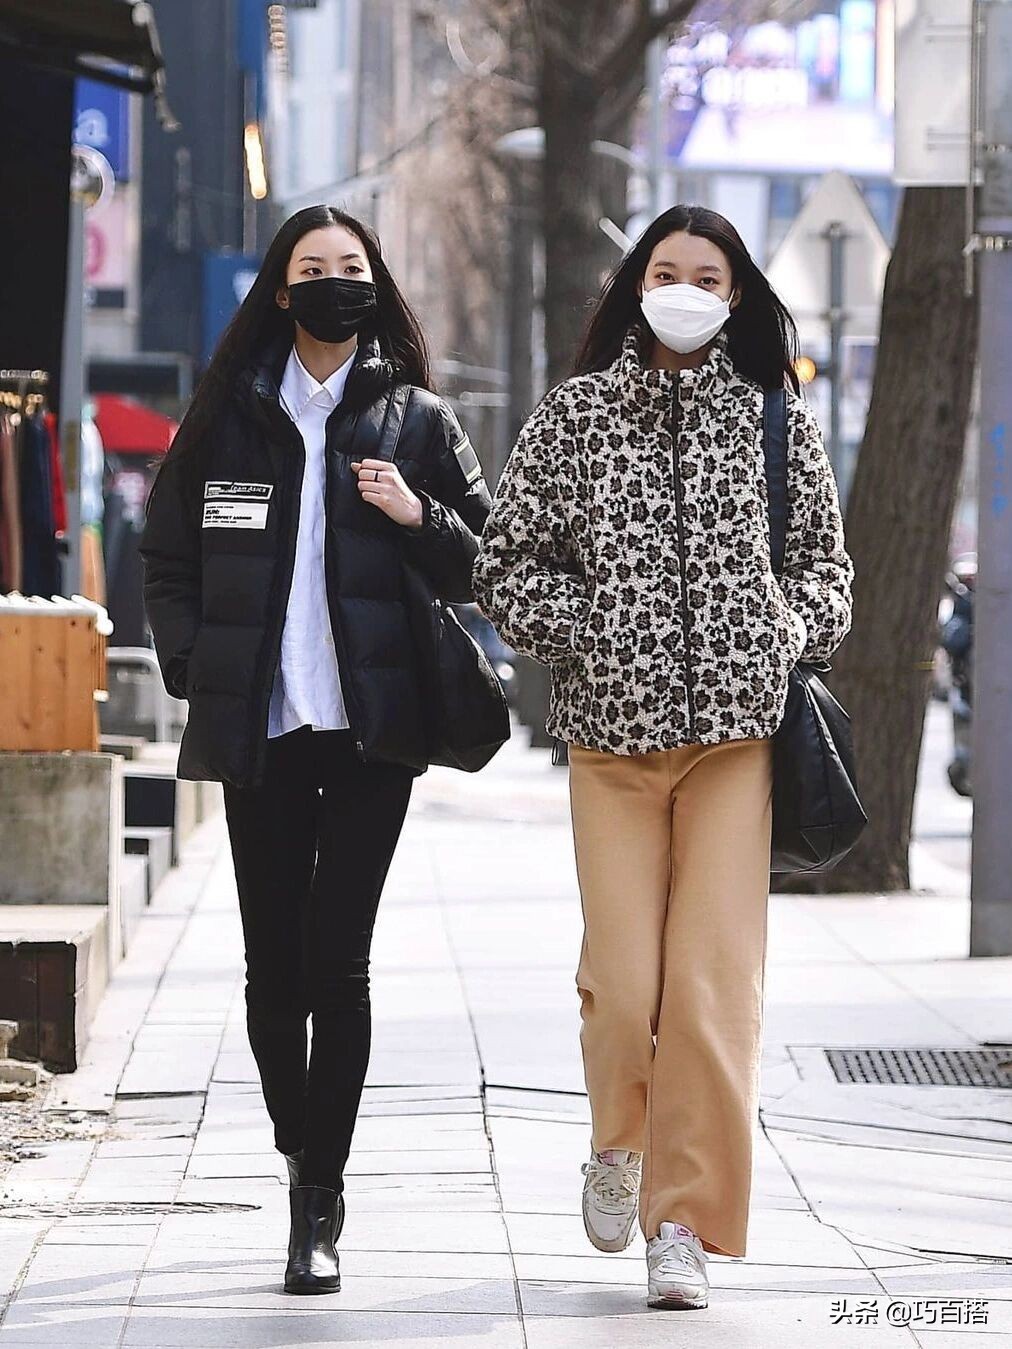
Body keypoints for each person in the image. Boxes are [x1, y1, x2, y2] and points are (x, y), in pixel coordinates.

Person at [473, 205, 853, 1310]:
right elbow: (506, 566)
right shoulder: (577, 416)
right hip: (611, 743)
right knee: (624, 979)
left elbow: (827, 569)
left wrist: (785, 629)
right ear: (637, 284)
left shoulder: (779, 422)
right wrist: (593, 628)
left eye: (706, 273)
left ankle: (680, 1221)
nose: (683, 286)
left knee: (707, 988)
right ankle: (617, 1141)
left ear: (733, 297)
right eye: (665, 268)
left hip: (738, 741)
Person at [141, 205, 490, 1295]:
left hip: (372, 730)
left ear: (372, 286)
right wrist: (200, 663)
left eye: (352, 267)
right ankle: (299, 1136)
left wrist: (415, 512)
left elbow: (486, 560)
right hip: (266, 724)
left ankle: (319, 1195)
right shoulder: (229, 416)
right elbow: (166, 553)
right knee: (270, 967)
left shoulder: (417, 419)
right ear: (281, 291)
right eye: (312, 268)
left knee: (337, 962)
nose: (334, 281)